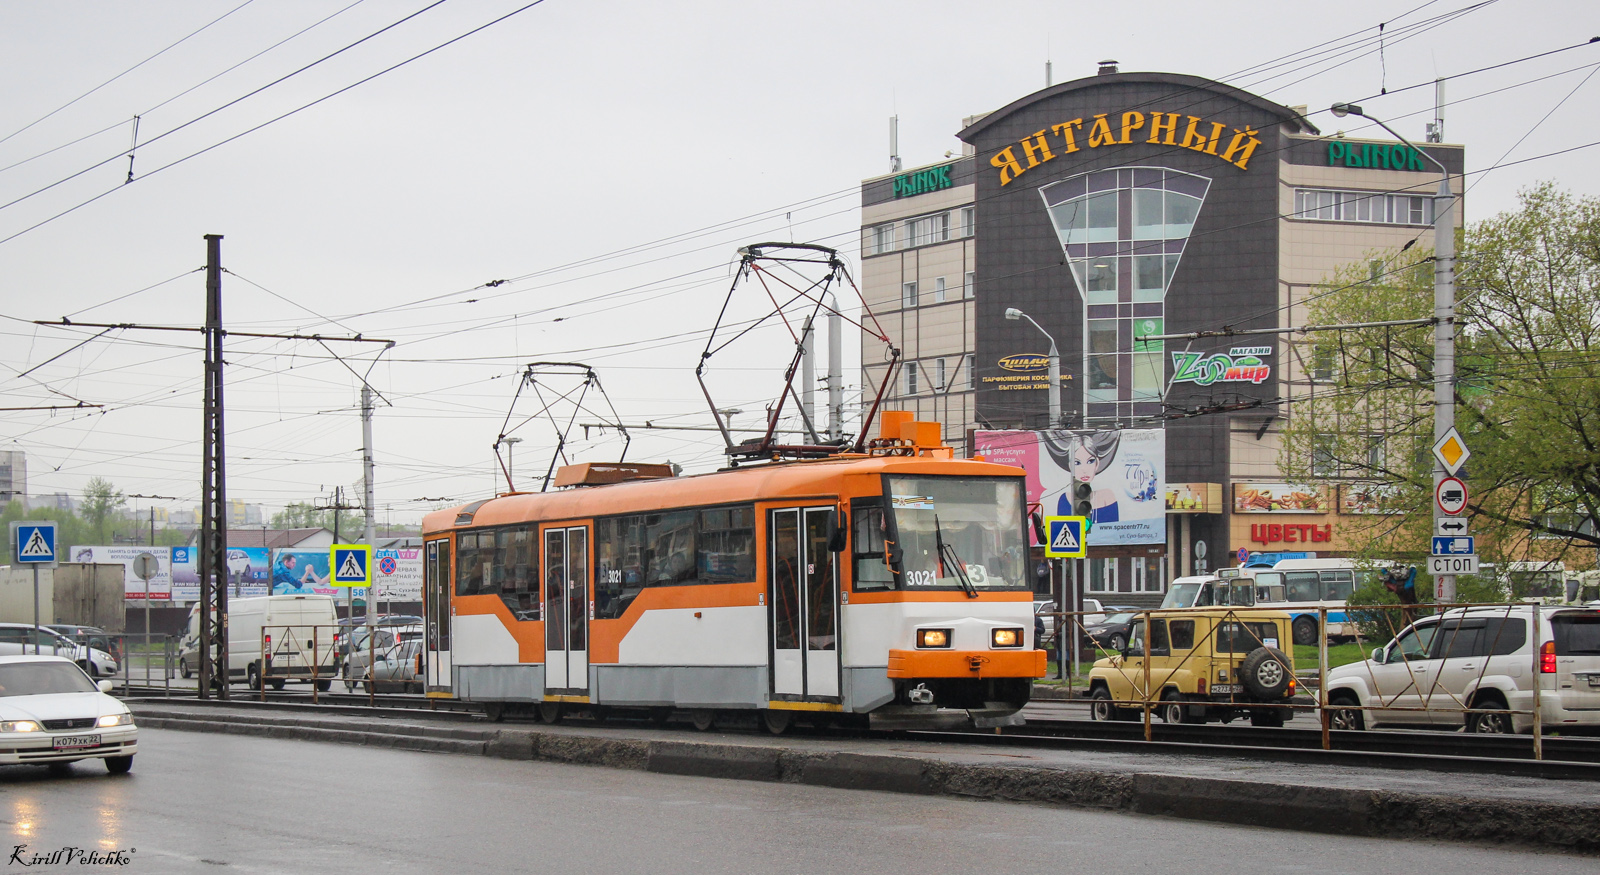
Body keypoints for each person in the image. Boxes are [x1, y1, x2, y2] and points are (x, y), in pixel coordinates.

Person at [1042, 430, 1122, 525]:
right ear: (1070, 466)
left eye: (1090, 461)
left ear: (1097, 464)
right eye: (1077, 463)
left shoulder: (1107, 496)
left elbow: (1114, 531)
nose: (1084, 469)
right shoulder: (1065, 499)